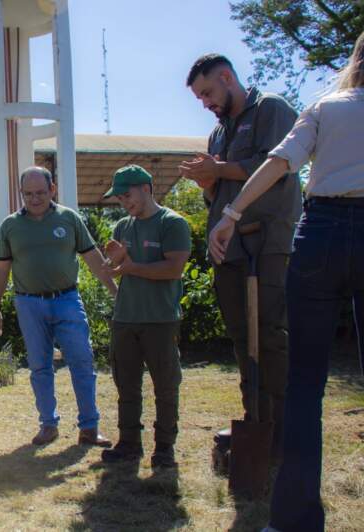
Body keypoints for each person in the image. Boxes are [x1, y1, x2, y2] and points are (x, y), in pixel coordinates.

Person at [209, 31, 364, 532]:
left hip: (321, 233)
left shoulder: (326, 106)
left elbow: (279, 164)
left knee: (304, 386)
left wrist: (231, 212)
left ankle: (294, 520)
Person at [179, 54, 300, 459]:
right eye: (199, 98)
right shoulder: (217, 133)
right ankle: (254, 421)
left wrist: (219, 169)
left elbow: (274, 165)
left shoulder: (271, 109)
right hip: (228, 250)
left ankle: (281, 432)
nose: (205, 103)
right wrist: (207, 181)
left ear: (227, 77)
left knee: (270, 336)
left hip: (266, 242)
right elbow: (219, 192)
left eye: (208, 92)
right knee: (242, 339)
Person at [0, 166, 117, 446]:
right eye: (28, 194)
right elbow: (0, 269)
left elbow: (93, 257)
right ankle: (48, 425)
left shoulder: (69, 218)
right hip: (28, 304)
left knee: (82, 361)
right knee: (39, 367)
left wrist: (116, 293)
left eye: (40, 193)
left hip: (67, 300)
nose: (34, 199)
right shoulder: (10, 226)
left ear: (52, 189)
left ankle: (89, 428)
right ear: (21, 193)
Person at [99, 165, 191, 468]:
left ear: (147, 189)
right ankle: (128, 443)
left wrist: (130, 267)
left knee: (165, 386)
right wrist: (114, 264)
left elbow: (173, 269)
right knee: (126, 385)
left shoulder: (172, 223)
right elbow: (117, 268)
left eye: (127, 195)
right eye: (119, 198)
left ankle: (164, 447)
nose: (123, 202)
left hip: (160, 319)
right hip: (125, 317)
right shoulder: (122, 227)